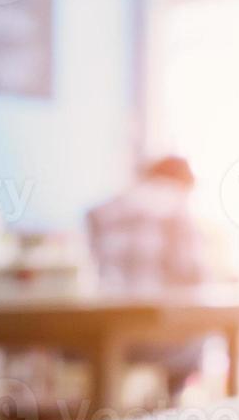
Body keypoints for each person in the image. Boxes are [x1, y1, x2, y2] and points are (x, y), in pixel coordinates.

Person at [87, 156, 210, 399]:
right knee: (199, 337)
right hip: (163, 340)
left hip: (99, 336)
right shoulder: (178, 210)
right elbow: (196, 280)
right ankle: (171, 407)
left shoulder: (102, 210)